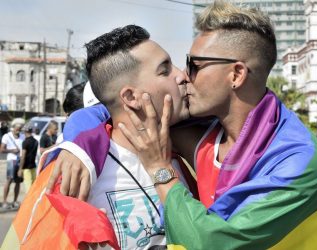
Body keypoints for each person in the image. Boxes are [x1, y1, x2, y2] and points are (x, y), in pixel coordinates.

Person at [47, 1, 317, 249]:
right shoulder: (208, 129)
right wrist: (77, 144)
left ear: (236, 74)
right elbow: (115, 106)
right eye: (174, 67)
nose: (184, 76)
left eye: (194, 65)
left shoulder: (300, 162)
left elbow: (213, 242)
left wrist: (160, 170)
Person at [2, 25, 196, 250]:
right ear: (131, 97)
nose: (182, 75)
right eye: (164, 70)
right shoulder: (70, 173)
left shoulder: (188, 150)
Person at [0, 120, 24, 210]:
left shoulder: (22, 136)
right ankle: (5, 201)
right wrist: (12, 150)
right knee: (9, 180)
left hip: (20, 161)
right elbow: (1, 149)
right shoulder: (7, 136)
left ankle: (15, 201)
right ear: (13, 128)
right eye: (17, 129)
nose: (19, 130)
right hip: (11, 160)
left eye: (20, 129)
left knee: (18, 181)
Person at [18, 126, 39, 193]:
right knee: (34, 186)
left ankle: (29, 203)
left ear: (25, 132)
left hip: (26, 167)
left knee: (28, 188)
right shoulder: (35, 141)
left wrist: (20, 169)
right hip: (33, 165)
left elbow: (23, 156)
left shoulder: (25, 142)